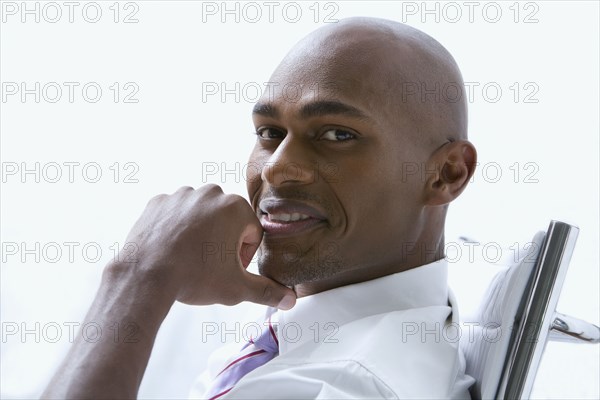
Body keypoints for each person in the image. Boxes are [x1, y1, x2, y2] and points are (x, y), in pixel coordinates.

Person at [42, 17, 477, 399]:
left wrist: (138, 279)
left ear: (446, 175)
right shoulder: (326, 335)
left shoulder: (343, 384)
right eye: (269, 132)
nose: (277, 168)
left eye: (338, 135)